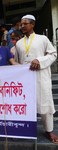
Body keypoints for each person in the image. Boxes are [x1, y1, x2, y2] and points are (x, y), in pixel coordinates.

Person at [15, 14, 58, 143]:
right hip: (25, 79)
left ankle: (49, 130)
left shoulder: (43, 39)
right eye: (21, 24)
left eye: (25, 24)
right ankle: (26, 128)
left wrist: (39, 60)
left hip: (41, 76)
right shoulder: (18, 43)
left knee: (44, 102)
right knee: (25, 104)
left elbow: (53, 54)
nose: (22, 26)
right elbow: (17, 61)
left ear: (32, 24)